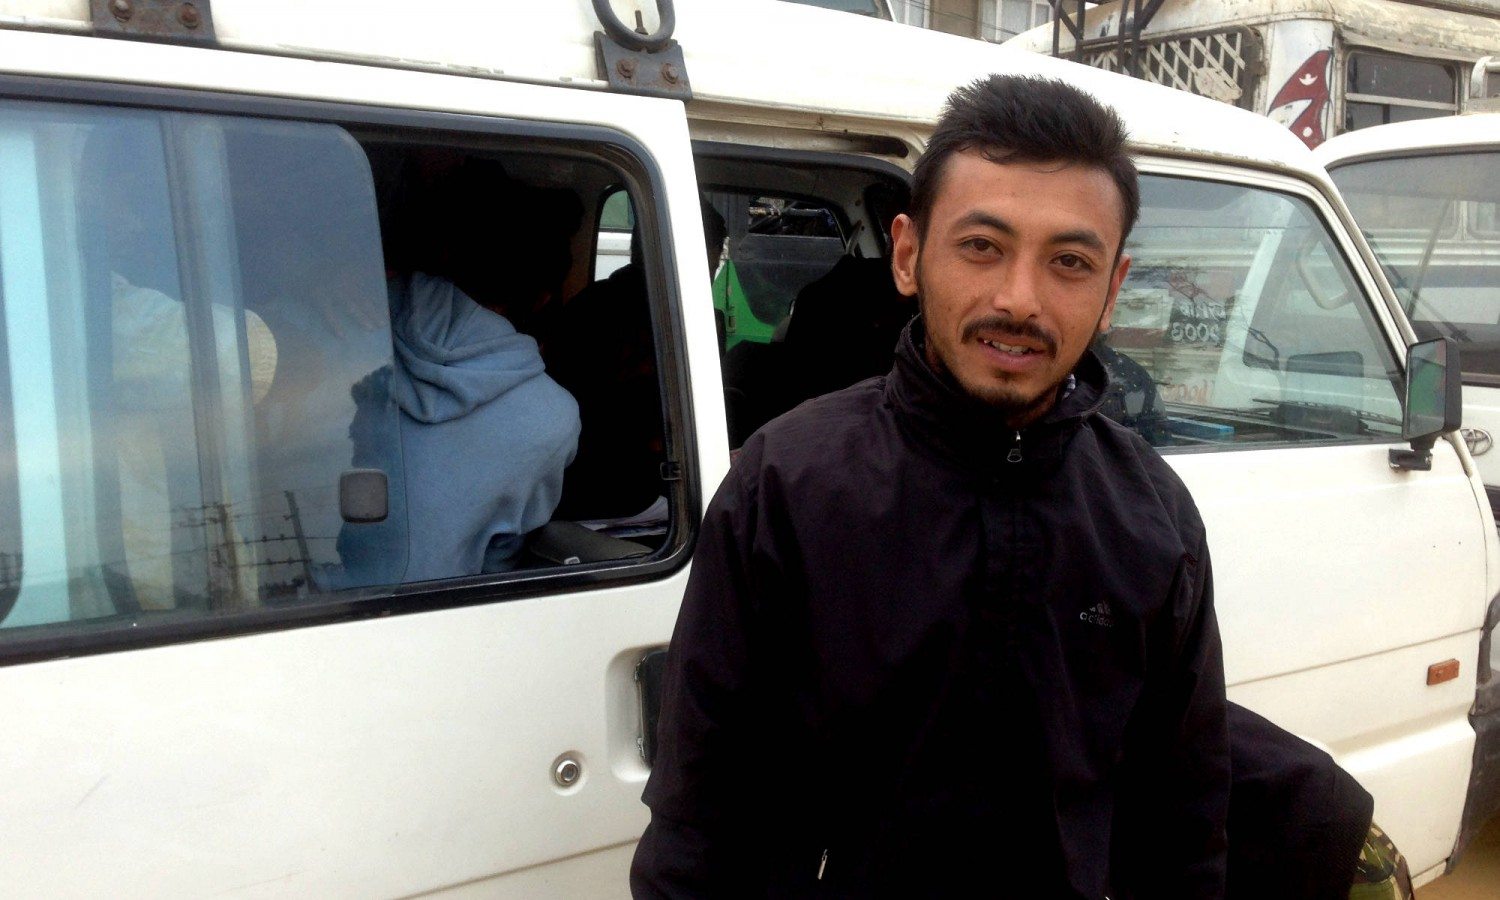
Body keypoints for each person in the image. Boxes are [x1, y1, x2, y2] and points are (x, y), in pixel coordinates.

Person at [631, 75, 1229, 898]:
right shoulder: (788, 488)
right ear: (908, 255)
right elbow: (706, 833)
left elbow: (1181, 821)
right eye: (982, 246)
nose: (1019, 299)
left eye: (1069, 262)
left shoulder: (1151, 516)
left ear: (1113, 288)